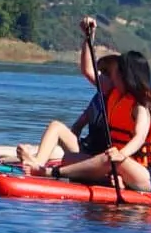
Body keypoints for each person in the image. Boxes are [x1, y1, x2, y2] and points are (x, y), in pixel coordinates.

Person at [20, 48, 151, 193]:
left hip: (146, 175)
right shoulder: (113, 93)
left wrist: (122, 154)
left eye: (116, 72)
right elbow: (88, 71)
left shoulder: (142, 105)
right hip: (120, 165)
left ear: (127, 76)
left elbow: (139, 137)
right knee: (69, 158)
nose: (112, 76)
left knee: (109, 158)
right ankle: (111, 180)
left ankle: (48, 173)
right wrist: (88, 35)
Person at [19, 16, 117, 167]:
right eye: (102, 71)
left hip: (100, 158)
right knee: (56, 127)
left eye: (105, 73)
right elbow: (77, 127)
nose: (100, 75)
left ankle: (37, 163)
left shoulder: (118, 97)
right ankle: (37, 162)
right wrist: (88, 37)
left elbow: (88, 71)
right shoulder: (99, 98)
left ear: (115, 79)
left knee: (53, 140)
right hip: (87, 150)